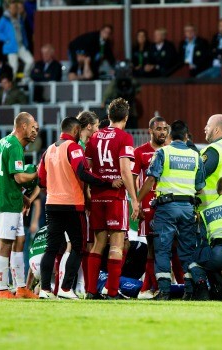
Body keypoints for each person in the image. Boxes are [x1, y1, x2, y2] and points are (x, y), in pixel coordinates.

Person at [37, 117, 118, 300]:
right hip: (72, 205)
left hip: (51, 204)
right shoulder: (73, 148)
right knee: (78, 247)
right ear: (75, 130)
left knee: (51, 248)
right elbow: (82, 172)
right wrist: (106, 182)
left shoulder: (48, 150)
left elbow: (41, 180)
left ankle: (45, 290)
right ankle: (66, 289)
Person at [137, 120, 205, 300]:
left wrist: (136, 200)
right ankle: (190, 291)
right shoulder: (195, 155)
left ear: (169, 135)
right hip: (188, 208)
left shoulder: (163, 153)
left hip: (166, 207)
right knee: (187, 251)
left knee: (162, 250)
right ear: (185, 136)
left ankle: (165, 291)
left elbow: (151, 180)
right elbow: (199, 185)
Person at [84, 98, 139, 300]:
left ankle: (91, 291)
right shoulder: (125, 138)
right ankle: (112, 291)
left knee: (98, 244)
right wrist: (134, 199)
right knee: (117, 244)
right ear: (125, 117)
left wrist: (89, 194)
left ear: (108, 116)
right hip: (116, 198)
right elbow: (125, 171)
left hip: (97, 196)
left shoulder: (95, 137)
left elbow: (87, 170)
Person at [0, 112, 39, 299]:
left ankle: (20, 287)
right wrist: (37, 174)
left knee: (20, 241)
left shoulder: (3, 142)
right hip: (8, 202)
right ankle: (2, 288)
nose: (35, 131)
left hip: (10, 199)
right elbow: (19, 177)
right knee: (4, 243)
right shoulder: (16, 146)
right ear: (23, 126)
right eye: (32, 127)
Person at [133, 116, 168, 299]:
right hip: (148, 205)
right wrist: (135, 201)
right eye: (159, 129)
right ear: (150, 131)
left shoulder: (170, 151)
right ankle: (150, 287)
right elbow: (132, 179)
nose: (162, 132)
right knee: (152, 247)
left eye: (165, 129)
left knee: (169, 247)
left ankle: (152, 287)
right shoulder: (140, 152)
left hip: (168, 204)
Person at [0, 0, 33, 82]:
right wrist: (6, 39)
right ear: (9, 9)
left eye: (15, 7)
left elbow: (23, 31)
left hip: (21, 45)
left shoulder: (19, 18)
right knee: (14, 67)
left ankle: (25, 78)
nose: (14, 9)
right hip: (11, 46)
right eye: (12, 8)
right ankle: (12, 84)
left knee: (30, 61)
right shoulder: (4, 19)